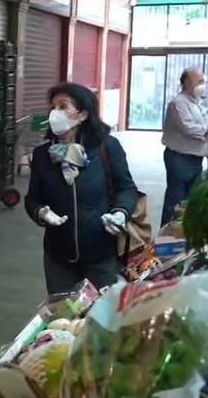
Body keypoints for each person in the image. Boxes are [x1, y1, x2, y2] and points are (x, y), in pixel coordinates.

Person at [25, 82, 140, 294]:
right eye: (53, 107)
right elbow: (32, 199)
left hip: (101, 254)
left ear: (83, 115)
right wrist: (41, 212)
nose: (54, 113)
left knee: (100, 318)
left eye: (62, 106)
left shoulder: (107, 148)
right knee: (63, 317)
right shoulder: (43, 155)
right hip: (57, 256)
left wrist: (120, 213)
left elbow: (127, 188)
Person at [161, 67, 208, 225]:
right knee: (175, 201)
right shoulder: (179, 104)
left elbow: (202, 128)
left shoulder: (196, 103)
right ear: (185, 82)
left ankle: (182, 236)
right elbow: (189, 128)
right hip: (180, 158)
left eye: (203, 81)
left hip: (195, 159)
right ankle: (166, 237)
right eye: (199, 81)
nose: (202, 85)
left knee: (189, 201)